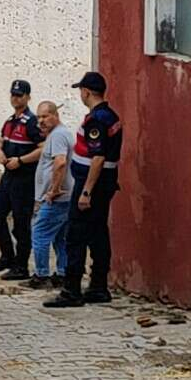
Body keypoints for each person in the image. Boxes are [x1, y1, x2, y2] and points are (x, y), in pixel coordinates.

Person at [47, 72, 124, 308]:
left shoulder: (96, 120)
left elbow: (98, 157)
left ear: (87, 92)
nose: (80, 94)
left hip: (92, 183)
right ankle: (98, 286)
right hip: (105, 182)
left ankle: (72, 289)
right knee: (98, 232)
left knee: (76, 235)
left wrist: (86, 192)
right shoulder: (110, 116)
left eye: (81, 90)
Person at [0, 79, 43, 280]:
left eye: (19, 95)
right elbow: (0, 142)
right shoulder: (10, 122)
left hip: (25, 178)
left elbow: (43, 149)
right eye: (13, 95)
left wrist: (21, 160)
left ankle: (21, 266)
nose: (15, 98)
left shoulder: (33, 122)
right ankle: (7, 256)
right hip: (9, 176)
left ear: (28, 97)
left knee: (21, 223)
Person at [27, 101, 74, 288]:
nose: (41, 121)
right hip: (65, 197)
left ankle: (41, 275)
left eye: (45, 116)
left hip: (56, 198)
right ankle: (62, 273)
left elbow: (60, 162)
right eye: (38, 117)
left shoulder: (58, 136)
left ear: (56, 115)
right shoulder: (59, 134)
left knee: (39, 234)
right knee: (60, 237)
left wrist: (53, 190)